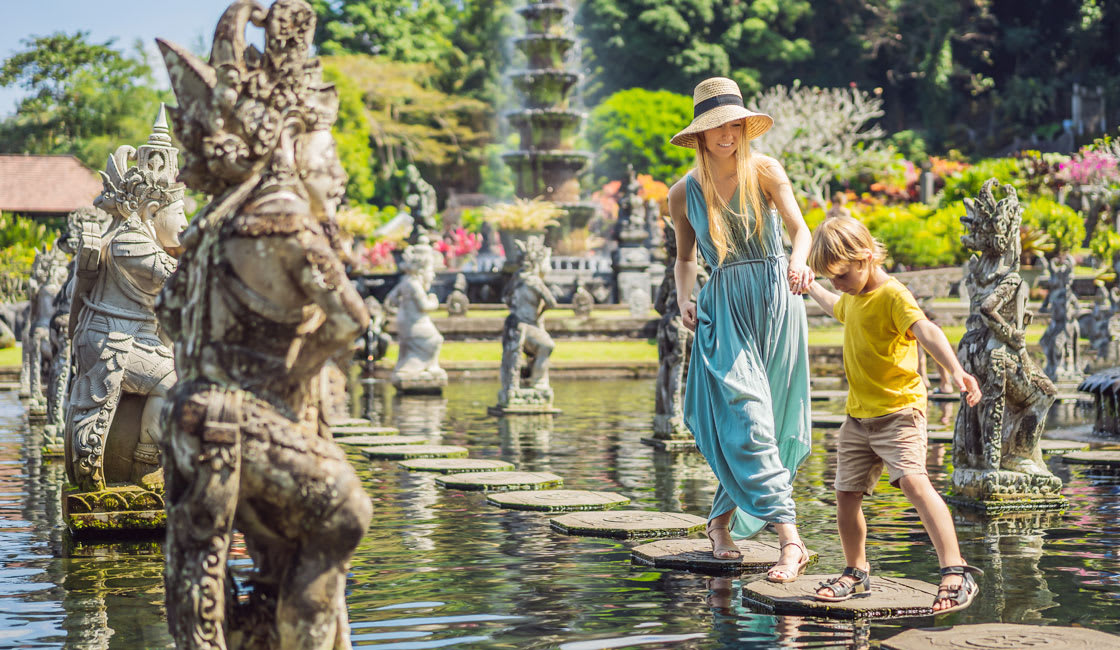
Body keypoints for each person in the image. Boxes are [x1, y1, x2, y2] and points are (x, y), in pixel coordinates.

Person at [667, 77, 814, 582]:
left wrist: (800, 261)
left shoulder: (766, 170)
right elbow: (685, 260)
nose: (726, 135)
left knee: (765, 426)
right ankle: (791, 542)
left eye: (733, 125)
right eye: (716, 128)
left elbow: (802, 230)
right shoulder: (683, 193)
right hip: (725, 307)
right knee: (747, 418)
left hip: (778, 301)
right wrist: (685, 298)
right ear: (700, 136)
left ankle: (719, 523)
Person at [805, 215, 984, 613]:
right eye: (830, 277)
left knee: (914, 483)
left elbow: (928, 330)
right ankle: (856, 571)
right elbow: (838, 307)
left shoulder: (893, 295)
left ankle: (956, 571)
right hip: (858, 417)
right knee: (845, 495)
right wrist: (811, 285)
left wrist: (955, 371)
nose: (838, 283)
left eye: (840, 274)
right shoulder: (852, 296)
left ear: (866, 257)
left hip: (899, 411)